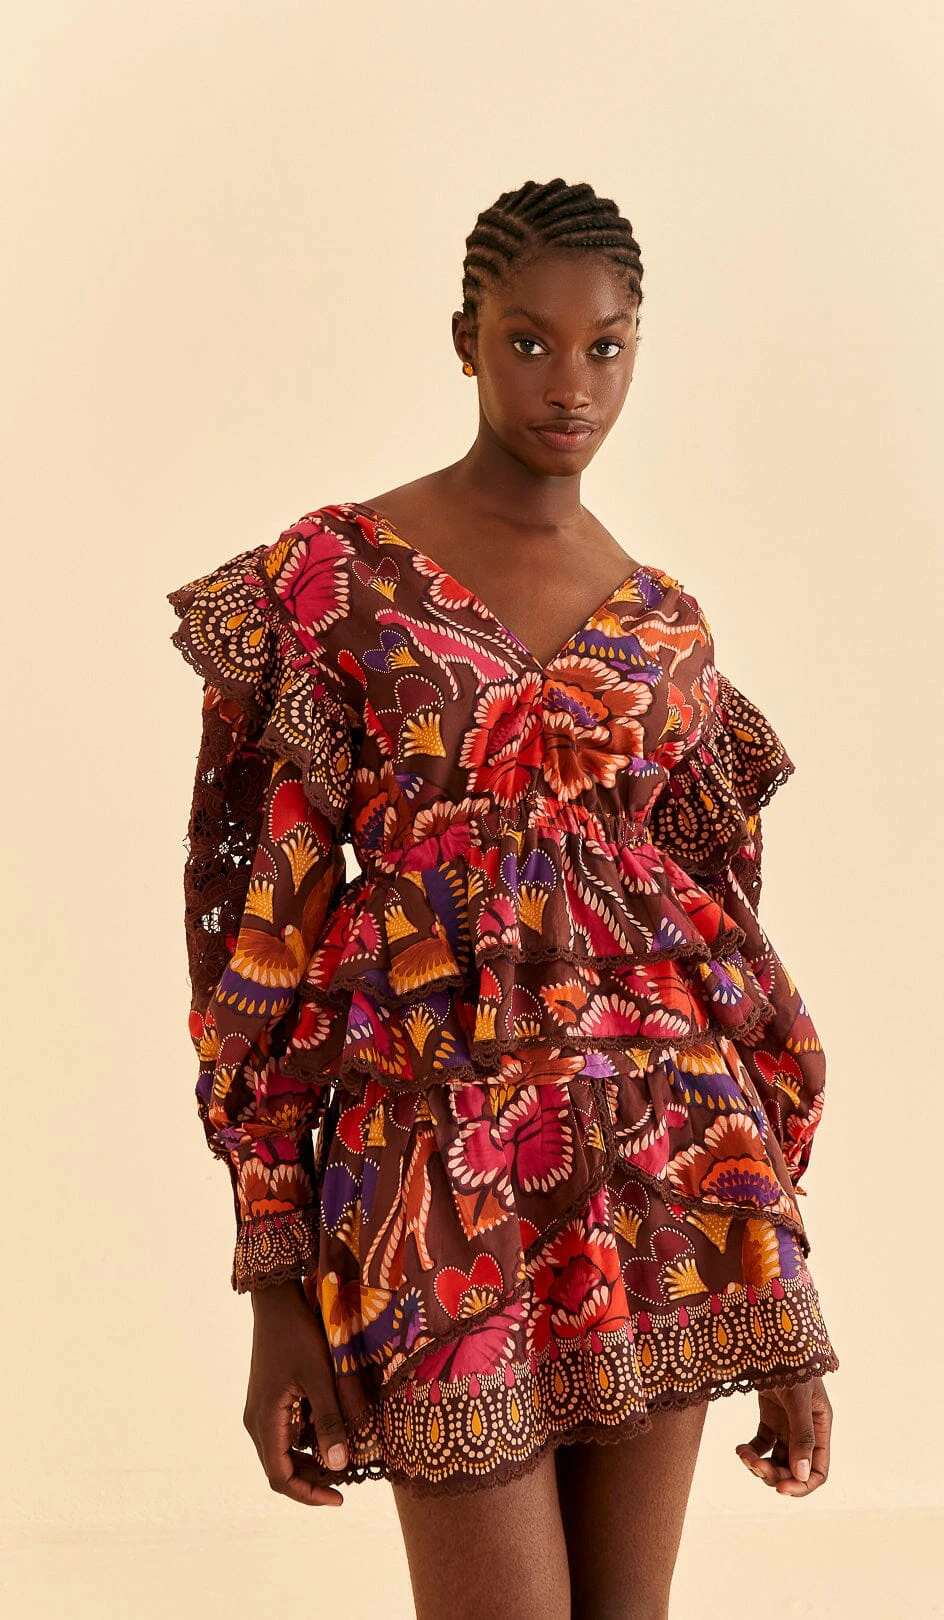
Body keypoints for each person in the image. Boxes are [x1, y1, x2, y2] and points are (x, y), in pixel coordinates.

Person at [166, 177, 839, 1620]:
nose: (571, 382)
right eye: (529, 341)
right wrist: (275, 1279)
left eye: (607, 346)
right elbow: (254, 930)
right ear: (464, 338)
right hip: (431, 1185)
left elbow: (722, 958)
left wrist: (779, 1293)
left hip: (664, 1184)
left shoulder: (667, 629)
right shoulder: (333, 581)